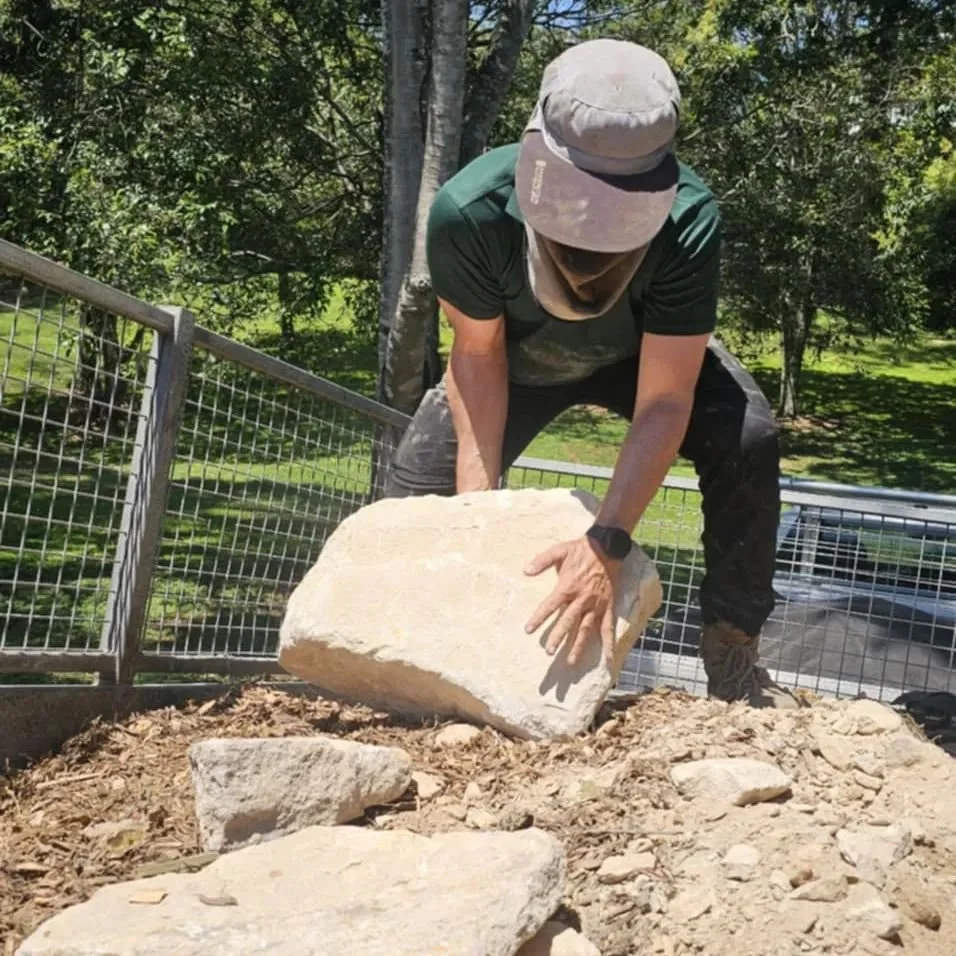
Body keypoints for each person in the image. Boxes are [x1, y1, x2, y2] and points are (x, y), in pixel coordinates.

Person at [384, 37, 799, 709]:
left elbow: (666, 397)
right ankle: (400, 662)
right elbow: (479, 355)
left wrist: (607, 542)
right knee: (414, 499)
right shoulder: (469, 213)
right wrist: (477, 511)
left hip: (642, 357)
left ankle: (733, 656)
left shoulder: (689, 221)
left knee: (749, 436)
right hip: (513, 357)